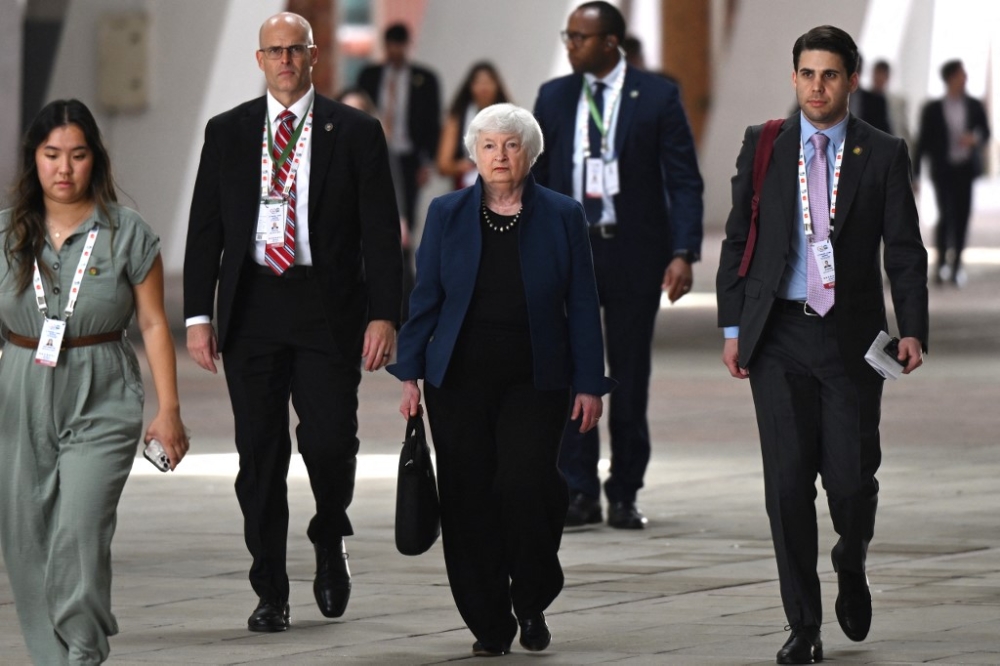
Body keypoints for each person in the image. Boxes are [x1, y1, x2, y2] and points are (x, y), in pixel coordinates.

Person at [716, 25, 928, 664]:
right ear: (794, 79)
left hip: (851, 340)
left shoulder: (882, 152)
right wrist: (733, 327)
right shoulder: (765, 145)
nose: (817, 86)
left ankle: (850, 552)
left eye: (830, 75)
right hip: (777, 335)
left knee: (850, 481)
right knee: (785, 485)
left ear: (851, 80)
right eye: (807, 74)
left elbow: (905, 248)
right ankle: (803, 624)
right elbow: (735, 241)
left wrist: (912, 326)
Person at [183, 12, 402, 633]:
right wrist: (199, 316)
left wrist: (385, 313)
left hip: (326, 306)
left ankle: (329, 532)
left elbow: (380, 232)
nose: (284, 60)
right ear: (260, 60)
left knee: (331, 440)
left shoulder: (354, 131)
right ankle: (270, 589)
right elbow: (205, 231)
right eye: (273, 51)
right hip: (252, 306)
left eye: (295, 50)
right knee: (260, 454)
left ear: (314, 56)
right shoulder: (227, 132)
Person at [388, 103, 613, 657]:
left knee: (527, 485)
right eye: (488, 145)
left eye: (511, 145)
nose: (500, 156)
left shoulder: (563, 215)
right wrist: (410, 373)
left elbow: (583, 303)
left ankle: (532, 594)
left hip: (537, 377)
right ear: (474, 155)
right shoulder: (445, 212)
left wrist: (590, 382)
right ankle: (489, 621)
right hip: (457, 379)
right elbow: (426, 298)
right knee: (467, 498)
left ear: (529, 153)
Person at [0, 98, 189, 664]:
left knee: (79, 531)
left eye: (77, 155)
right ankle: (51, 658)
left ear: (96, 160)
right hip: (20, 385)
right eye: (51, 155)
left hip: (101, 386)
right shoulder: (7, 234)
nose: (64, 169)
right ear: (33, 160)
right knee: (26, 537)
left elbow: (155, 323)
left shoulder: (127, 232)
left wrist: (169, 409)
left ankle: (82, 651)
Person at [533, 1, 704, 530]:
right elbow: (533, 178)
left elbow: (683, 179)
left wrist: (682, 252)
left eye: (579, 37)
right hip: (571, 253)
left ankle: (625, 489)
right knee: (572, 373)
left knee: (629, 375)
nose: (570, 45)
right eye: (568, 35)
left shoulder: (656, 95)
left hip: (632, 251)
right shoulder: (554, 96)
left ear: (610, 43)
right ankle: (578, 490)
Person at [357, 22, 441, 227]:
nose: (395, 50)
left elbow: (433, 121)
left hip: (408, 157)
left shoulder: (425, 79)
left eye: (399, 45)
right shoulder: (370, 75)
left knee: (405, 213)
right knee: (372, 208)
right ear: (385, 45)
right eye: (391, 45)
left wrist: (427, 161)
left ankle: (402, 255)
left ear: (407, 45)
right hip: (375, 152)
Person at [916, 59, 991, 287]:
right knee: (945, 217)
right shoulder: (933, 109)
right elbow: (923, 142)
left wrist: (974, 139)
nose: (964, 79)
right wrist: (915, 173)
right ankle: (941, 266)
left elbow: (985, 132)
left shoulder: (974, 105)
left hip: (965, 170)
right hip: (943, 170)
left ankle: (957, 265)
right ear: (950, 78)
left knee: (962, 217)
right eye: (960, 75)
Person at [436, 61, 511, 190]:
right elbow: (443, 164)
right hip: (466, 184)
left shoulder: (510, 117)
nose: (484, 88)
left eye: (488, 82)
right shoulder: (458, 118)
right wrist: (459, 166)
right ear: (470, 87)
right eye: (479, 83)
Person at [871, 60, 912, 150]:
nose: (879, 78)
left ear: (887, 77)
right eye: (877, 74)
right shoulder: (864, 99)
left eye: (883, 75)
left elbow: (903, 129)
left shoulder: (897, 102)